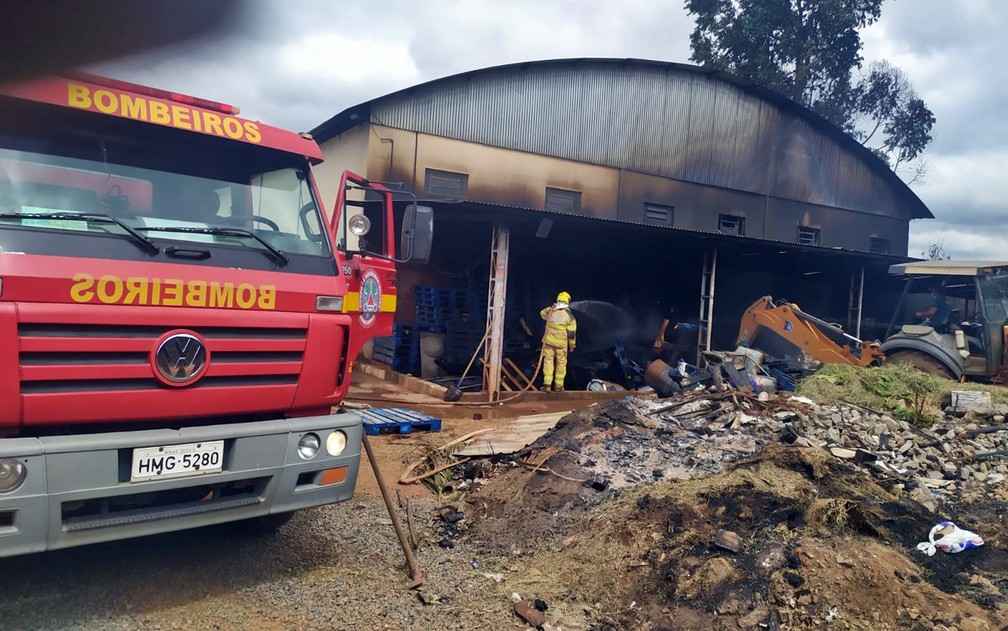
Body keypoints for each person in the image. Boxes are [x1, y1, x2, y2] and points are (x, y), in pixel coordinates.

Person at [540, 291, 577, 392]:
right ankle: (558, 387)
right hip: (561, 345)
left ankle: (547, 385)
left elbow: (542, 314)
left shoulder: (551, 312)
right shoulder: (569, 316)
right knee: (561, 365)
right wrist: (572, 345)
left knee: (548, 362)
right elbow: (571, 333)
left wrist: (551, 308)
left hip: (549, 344)